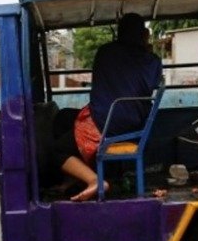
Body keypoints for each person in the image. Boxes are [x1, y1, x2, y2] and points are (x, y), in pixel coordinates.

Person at [53, 12, 163, 201]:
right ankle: (73, 177)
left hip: (106, 122)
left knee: (56, 151)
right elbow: (151, 84)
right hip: (134, 120)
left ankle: (94, 180)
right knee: (63, 117)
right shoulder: (153, 61)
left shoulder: (106, 52)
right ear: (143, 34)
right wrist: (146, 49)